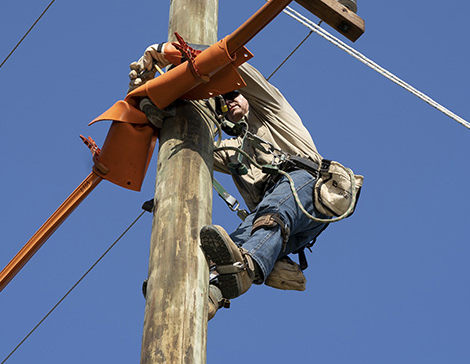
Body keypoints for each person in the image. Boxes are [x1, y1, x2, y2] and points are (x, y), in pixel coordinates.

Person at [129, 42, 361, 320]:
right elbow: (186, 145)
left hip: (307, 187)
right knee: (228, 249)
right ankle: (205, 295)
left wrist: (165, 51)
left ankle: (247, 268)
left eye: (233, 94)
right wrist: (149, 96)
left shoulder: (270, 108)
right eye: (223, 100)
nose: (230, 100)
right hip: (285, 223)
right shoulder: (233, 148)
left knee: (269, 217)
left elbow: (230, 65)